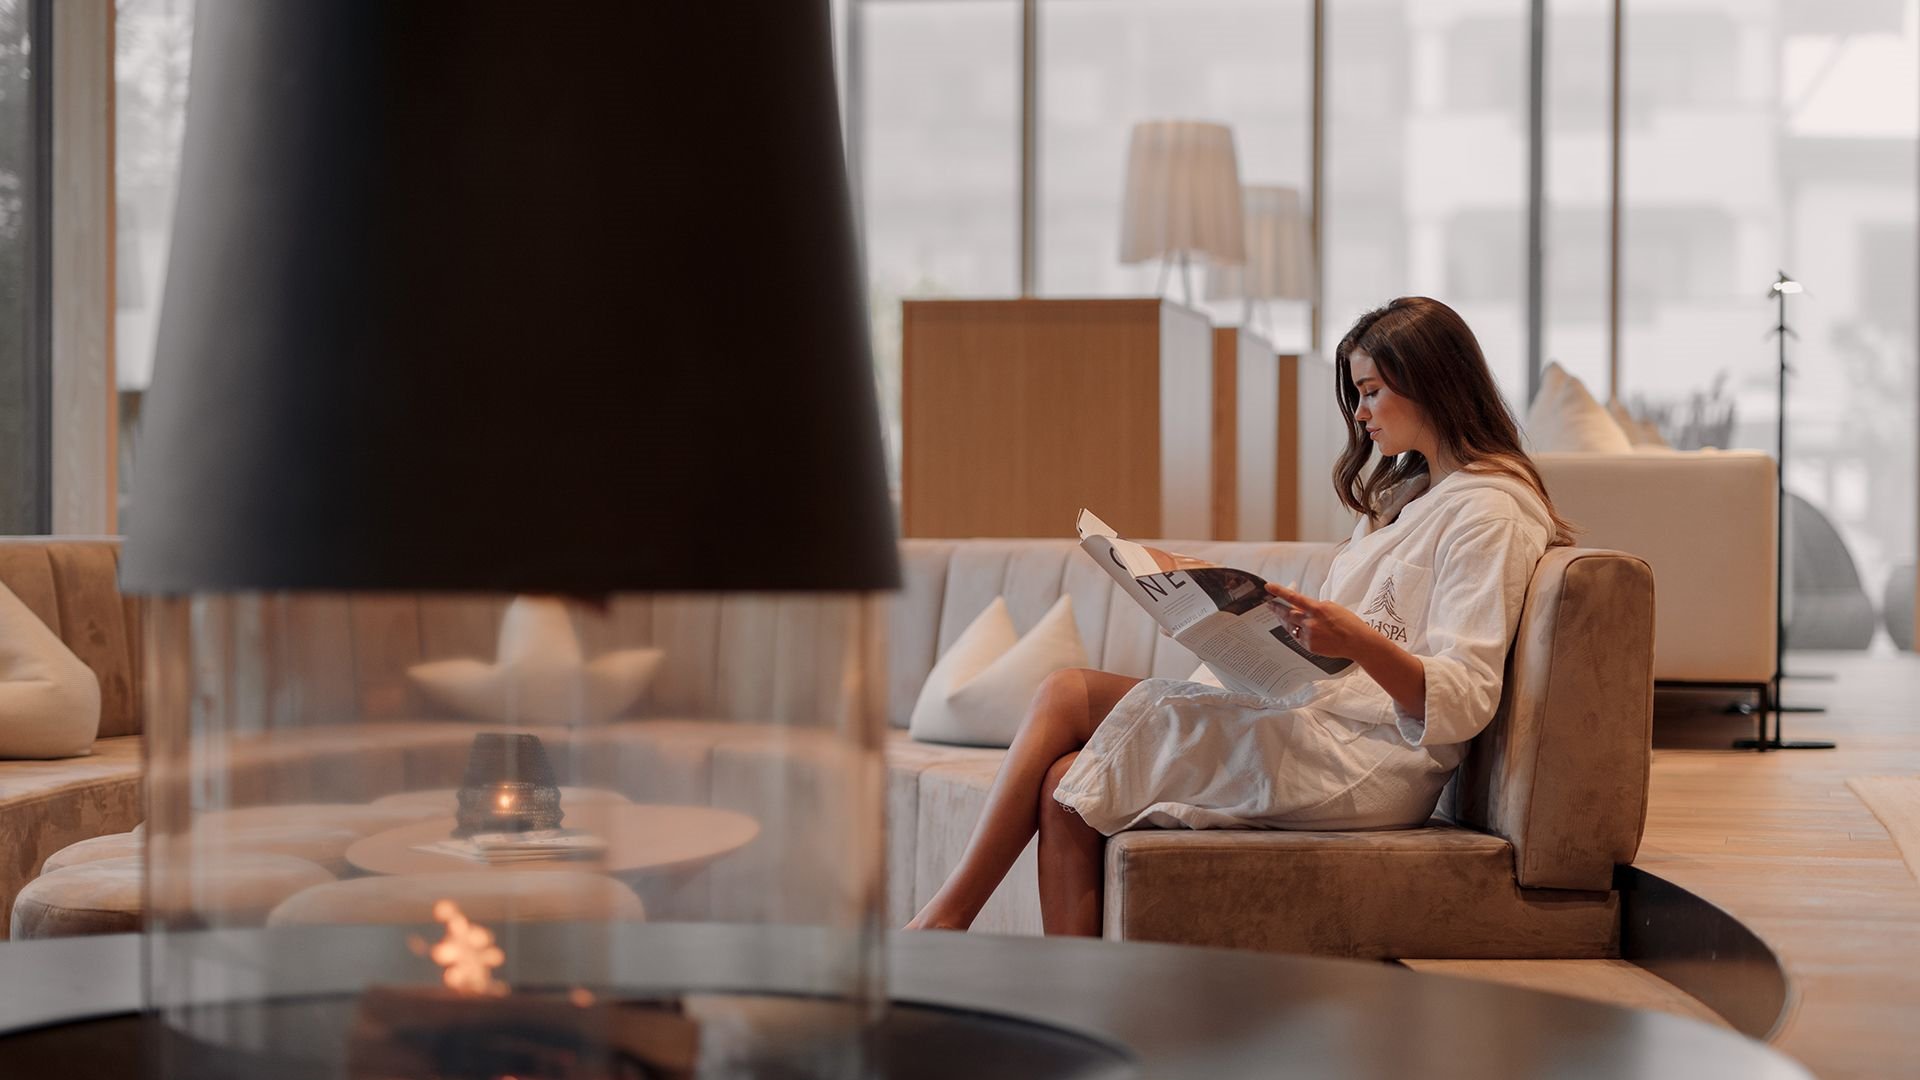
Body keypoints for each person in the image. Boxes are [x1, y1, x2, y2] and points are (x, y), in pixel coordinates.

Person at [905, 296, 1577, 937]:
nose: (1361, 414)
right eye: (1358, 395)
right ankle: (1065, 988)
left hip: (1372, 761)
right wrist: (1227, 620)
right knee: (1064, 783)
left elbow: (1467, 695)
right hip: (1319, 721)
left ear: (1428, 380)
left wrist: (1355, 641)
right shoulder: (1410, 499)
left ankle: (946, 918)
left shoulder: (1490, 512)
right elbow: (1340, 650)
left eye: (1371, 391)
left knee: (1066, 695)